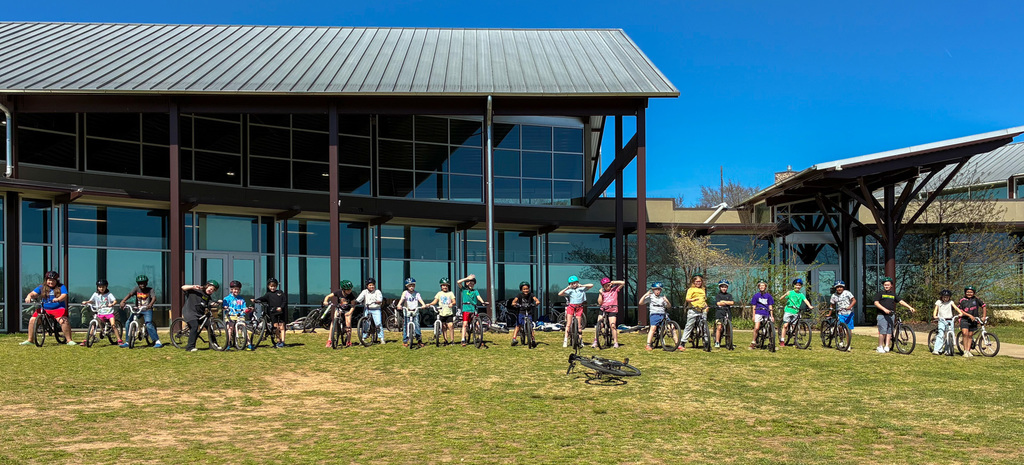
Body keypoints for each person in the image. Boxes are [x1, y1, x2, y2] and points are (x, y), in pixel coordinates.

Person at [21, 271, 75, 346]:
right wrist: (29, 296)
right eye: (49, 280)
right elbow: (33, 293)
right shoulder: (42, 287)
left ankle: (69, 340)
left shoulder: (61, 287)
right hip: (45, 309)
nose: (51, 282)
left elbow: (64, 295)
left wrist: (58, 299)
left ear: (56, 281)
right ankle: (30, 340)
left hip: (58, 308)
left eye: (53, 280)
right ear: (46, 280)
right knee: (32, 320)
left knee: (63, 320)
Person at [872, 277, 916, 353]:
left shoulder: (893, 294)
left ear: (891, 285)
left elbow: (901, 301)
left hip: (891, 315)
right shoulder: (880, 293)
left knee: (889, 331)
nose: (886, 286)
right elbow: (876, 303)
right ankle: (880, 346)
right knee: (883, 331)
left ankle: (887, 346)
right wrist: (884, 309)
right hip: (882, 315)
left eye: (888, 285)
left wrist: (910, 307)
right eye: (885, 285)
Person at [118, 274, 162, 348]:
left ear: (146, 283)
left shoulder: (150, 290)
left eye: (144, 283)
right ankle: (127, 341)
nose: (142, 285)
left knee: (148, 324)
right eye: (140, 283)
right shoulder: (136, 289)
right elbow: (130, 294)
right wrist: (123, 301)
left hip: (147, 309)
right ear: (138, 284)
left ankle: (157, 341)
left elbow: (154, 298)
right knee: (128, 322)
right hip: (138, 309)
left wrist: (150, 304)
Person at [181, 280, 219, 352]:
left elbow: (211, 303)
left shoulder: (208, 297)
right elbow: (183, 287)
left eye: (213, 290)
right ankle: (190, 347)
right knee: (194, 326)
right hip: (189, 312)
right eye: (210, 288)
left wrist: (217, 303)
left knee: (209, 326)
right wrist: (192, 286)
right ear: (207, 286)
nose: (211, 291)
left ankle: (213, 344)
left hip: (199, 314)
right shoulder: (195, 290)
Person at [83, 279, 122, 345]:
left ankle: (119, 340)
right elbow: (91, 301)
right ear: (97, 287)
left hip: (109, 313)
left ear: (106, 287)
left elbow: (115, 301)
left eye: (103, 287)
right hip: (100, 312)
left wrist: (112, 304)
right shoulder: (95, 294)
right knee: (93, 325)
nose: (101, 288)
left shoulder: (109, 294)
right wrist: (86, 302)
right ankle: (86, 340)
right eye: (100, 287)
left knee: (113, 325)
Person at [558, 275, 593, 348]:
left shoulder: (582, 289)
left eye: (575, 283)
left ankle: (580, 340)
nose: (574, 284)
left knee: (579, 325)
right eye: (572, 283)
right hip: (571, 307)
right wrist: (567, 288)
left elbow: (591, 285)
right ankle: (565, 340)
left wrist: (581, 285)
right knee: (568, 324)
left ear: (577, 282)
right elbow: (560, 293)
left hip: (579, 307)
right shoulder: (570, 291)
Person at [253, 277, 288, 348]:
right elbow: (262, 298)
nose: (272, 288)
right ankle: (278, 341)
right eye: (271, 286)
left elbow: (284, 301)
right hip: (273, 312)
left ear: (276, 286)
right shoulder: (268, 294)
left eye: (274, 286)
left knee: (282, 326)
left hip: (280, 312)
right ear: (268, 286)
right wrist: (255, 300)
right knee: (275, 327)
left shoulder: (280, 293)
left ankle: (283, 341)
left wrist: (281, 307)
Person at [640, 282, 676, 351]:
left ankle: (678, 344)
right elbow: (640, 303)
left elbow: (668, 306)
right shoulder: (650, 297)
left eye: (659, 290)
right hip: (654, 314)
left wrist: (667, 301)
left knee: (672, 327)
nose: (657, 291)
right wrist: (645, 295)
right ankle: (648, 344)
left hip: (663, 314)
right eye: (656, 289)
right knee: (653, 328)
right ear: (653, 290)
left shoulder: (662, 298)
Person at [322, 280, 357, 348]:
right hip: (339, 308)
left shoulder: (351, 295)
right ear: (343, 290)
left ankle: (348, 341)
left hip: (347, 310)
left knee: (348, 323)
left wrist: (350, 312)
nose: (349, 291)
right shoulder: (338, 292)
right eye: (348, 290)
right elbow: (328, 296)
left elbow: (353, 306)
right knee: (333, 321)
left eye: (350, 289)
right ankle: (329, 340)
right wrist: (325, 301)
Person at [592, 277, 625, 349]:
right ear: (603, 286)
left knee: (612, 325)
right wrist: (600, 294)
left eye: (608, 285)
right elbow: (600, 302)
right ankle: (595, 340)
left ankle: (615, 342)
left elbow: (623, 283)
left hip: (612, 309)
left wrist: (613, 282)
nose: (608, 287)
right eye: (605, 286)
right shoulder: (602, 292)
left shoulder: (614, 289)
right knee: (599, 325)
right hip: (603, 309)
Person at [779, 278, 813, 347]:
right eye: (796, 285)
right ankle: (782, 340)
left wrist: (809, 306)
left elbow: (805, 300)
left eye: (799, 285)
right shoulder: (790, 292)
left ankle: (795, 340)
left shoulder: (801, 294)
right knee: (785, 325)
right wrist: (786, 294)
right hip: (788, 310)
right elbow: (781, 298)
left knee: (795, 326)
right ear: (794, 285)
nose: (798, 287)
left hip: (796, 311)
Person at [457, 274, 487, 346]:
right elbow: (458, 282)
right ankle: (463, 339)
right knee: (465, 324)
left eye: (473, 283)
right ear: (467, 283)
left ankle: (479, 339)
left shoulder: (475, 291)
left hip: (473, 308)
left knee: (477, 324)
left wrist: (482, 302)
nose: (471, 284)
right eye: (470, 283)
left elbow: (478, 297)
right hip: (466, 309)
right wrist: (467, 278)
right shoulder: (464, 289)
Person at [681, 274, 709, 350]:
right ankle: (683, 342)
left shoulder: (703, 289)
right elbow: (687, 299)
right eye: (696, 281)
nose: (698, 283)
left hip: (702, 310)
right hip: (693, 310)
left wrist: (706, 306)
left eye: (699, 281)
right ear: (693, 282)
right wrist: (693, 300)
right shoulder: (691, 289)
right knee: (689, 326)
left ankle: (706, 342)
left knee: (704, 327)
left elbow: (703, 299)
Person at [958, 286, 986, 358]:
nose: (969, 293)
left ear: (973, 293)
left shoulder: (976, 300)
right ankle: (965, 351)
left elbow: (984, 306)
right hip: (964, 319)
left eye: (971, 292)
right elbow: (960, 310)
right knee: (965, 333)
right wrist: (969, 315)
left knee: (970, 335)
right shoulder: (962, 300)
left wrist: (984, 316)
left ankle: (968, 350)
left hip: (974, 320)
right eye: (967, 292)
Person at [426, 278, 456, 345]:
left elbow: (454, 301)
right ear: (441, 286)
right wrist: (429, 304)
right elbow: (435, 301)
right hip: (442, 313)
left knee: (450, 325)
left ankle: (452, 340)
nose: (445, 287)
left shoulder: (450, 293)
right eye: (443, 285)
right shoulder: (439, 293)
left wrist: (452, 303)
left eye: (446, 285)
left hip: (449, 312)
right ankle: (445, 340)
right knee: (443, 326)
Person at [355, 278, 384, 344]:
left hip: (376, 309)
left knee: (378, 323)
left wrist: (378, 301)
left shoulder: (377, 292)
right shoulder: (364, 292)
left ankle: (381, 338)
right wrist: (356, 301)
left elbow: (380, 299)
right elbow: (359, 298)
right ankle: (363, 338)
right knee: (365, 323)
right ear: (367, 286)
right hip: (367, 309)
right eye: (370, 285)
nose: (371, 286)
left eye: (373, 285)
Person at [222, 280, 250, 350]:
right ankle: (228, 344)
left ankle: (249, 343)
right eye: (234, 289)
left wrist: (246, 309)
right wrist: (225, 307)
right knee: (230, 328)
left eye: (238, 289)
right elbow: (224, 305)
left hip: (240, 315)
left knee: (244, 327)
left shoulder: (241, 298)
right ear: (231, 290)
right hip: (230, 315)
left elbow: (244, 307)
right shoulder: (227, 298)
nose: (236, 291)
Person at [511, 281, 541, 346]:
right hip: (521, 312)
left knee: (530, 326)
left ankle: (533, 339)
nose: (526, 290)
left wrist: (537, 302)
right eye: (524, 289)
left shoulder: (531, 295)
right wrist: (514, 303)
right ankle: (514, 339)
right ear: (521, 290)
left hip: (529, 312)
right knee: (518, 325)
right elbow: (514, 301)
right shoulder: (519, 295)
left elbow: (536, 299)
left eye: (527, 289)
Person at [932, 289, 961, 355]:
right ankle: (936, 349)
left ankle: (948, 350)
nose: (945, 299)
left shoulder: (951, 302)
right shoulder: (939, 302)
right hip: (942, 320)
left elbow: (956, 308)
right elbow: (936, 309)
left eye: (947, 297)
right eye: (944, 297)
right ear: (941, 297)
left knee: (950, 334)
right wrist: (935, 315)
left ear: (949, 297)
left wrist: (960, 313)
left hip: (950, 320)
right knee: (941, 333)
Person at [398, 277, 426, 346]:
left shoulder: (417, 294)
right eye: (410, 286)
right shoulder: (405, 293)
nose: (411, 287)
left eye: (413, 285)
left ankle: (419, 340)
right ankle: (405, 341)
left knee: (417, 325)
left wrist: (423, 305)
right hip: (407, 311)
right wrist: (399, 305)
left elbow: (420, 299)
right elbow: (402, 299)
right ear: (407, 286)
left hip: (415, 311)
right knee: (406, 326)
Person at [749, 280, 774, 350]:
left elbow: (770, 306)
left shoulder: (768, 296)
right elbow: (754, 306)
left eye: (763, 285)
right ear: (758, 287)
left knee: (770, 327)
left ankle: (771, 342)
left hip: (766, 313)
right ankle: (753, 342)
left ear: (765, 287)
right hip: (758, 312)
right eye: (760, 286)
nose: (762, 287)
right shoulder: (756, 296)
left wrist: (772, 315)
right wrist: (753, 315)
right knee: (756, 328)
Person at [712, 280, 734, 349]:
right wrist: (727, 302)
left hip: (727, 312)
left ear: (727, 288)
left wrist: (723, 301)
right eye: (722, 287)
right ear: (720, 287)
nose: (724, 288)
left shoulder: (729, 295)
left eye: (725, 287)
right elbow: (718, 303)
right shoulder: (718, 295)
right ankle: (717, 341)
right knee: (719, 327)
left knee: (728, 328)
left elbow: (732, 302)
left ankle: (729, 342)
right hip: (719, 312)